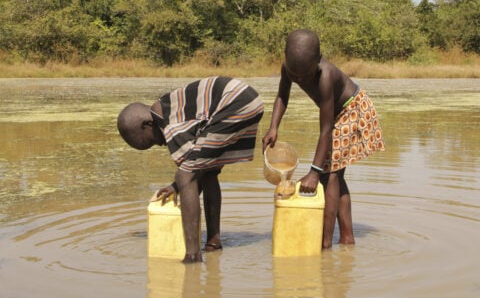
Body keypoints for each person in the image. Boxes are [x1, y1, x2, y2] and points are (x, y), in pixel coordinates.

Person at [117, 76, 264, 263]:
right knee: (208, 172)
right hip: (245, 99)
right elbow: (197, 164)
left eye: (154, 141)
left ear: (147, 124)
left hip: (235, 102)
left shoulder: (168, 121)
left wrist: (180, 183)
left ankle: (193, 255)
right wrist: (175, 187)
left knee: (185, 176)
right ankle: (213, 241)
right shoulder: (166, 109)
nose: (160, 144)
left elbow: (188, 174)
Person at [262, 29, 385, 249]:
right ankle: (347, 237)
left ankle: (324, 243)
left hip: (352, 109)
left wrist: (314, 172)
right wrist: (273, 127)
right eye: (294, 73)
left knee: (329, 175)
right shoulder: (289, 69)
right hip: (337, 114)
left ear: (318, 61)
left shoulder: (326, 76)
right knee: (335, 174)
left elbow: (326, 130)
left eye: (304, 75)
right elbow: (282, 95)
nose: (298, 79)